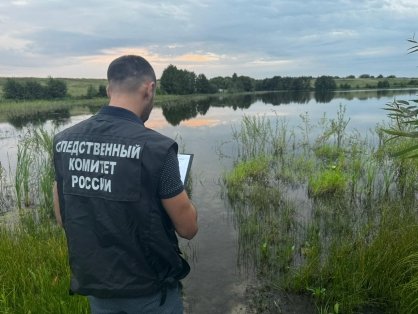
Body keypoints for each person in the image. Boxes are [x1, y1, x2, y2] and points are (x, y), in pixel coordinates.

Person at [53, 55, 198, 314]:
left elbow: (64, 218)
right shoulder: (157, 149)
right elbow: (188, 228)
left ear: (109, 89)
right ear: (149, 88)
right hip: (152, 294)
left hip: (98, 288)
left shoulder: (63, 142)